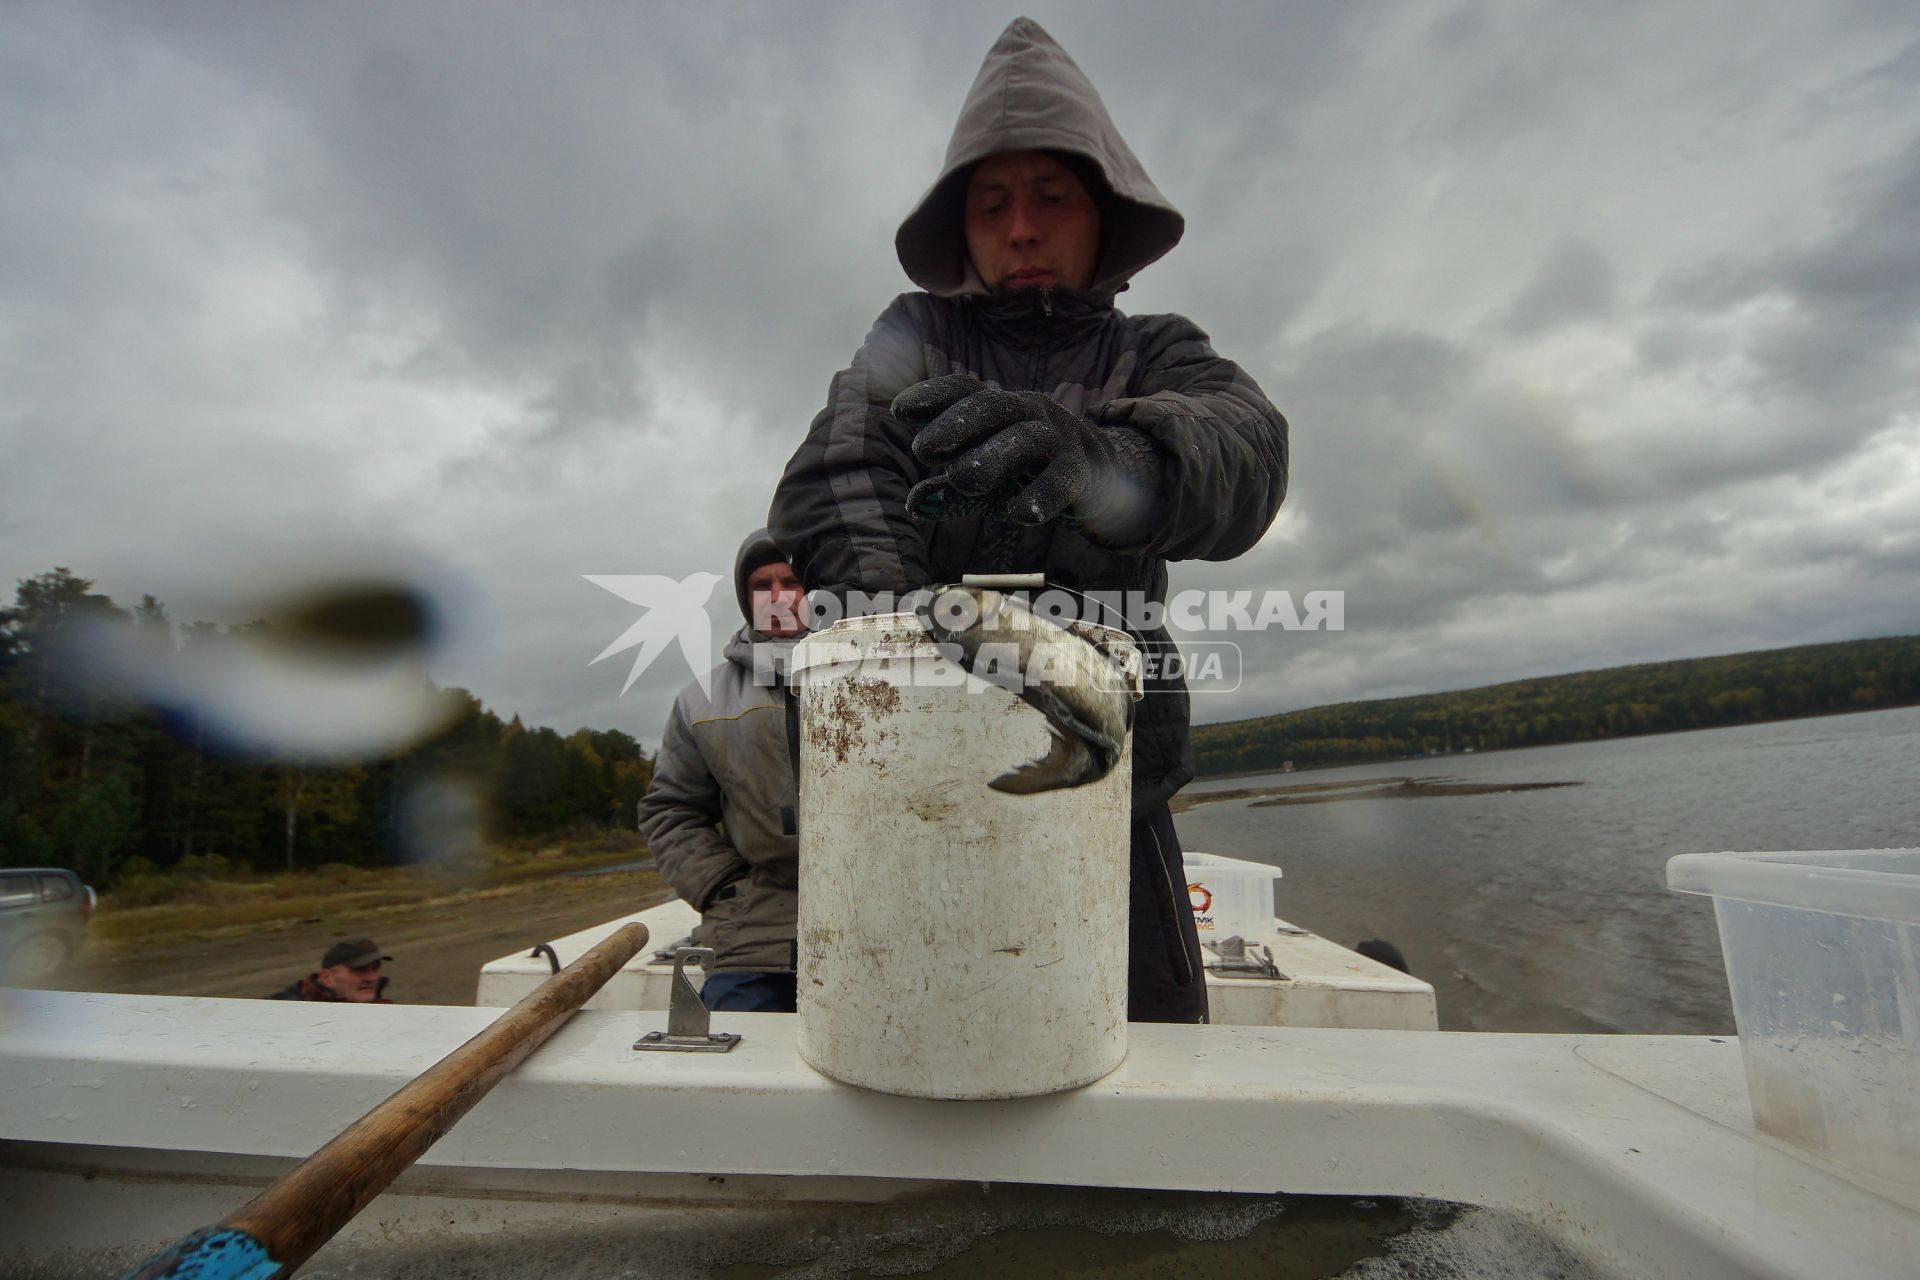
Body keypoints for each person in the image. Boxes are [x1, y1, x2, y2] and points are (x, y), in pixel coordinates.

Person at [769, 18, 1289, 1024]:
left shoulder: (1156, 351)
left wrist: (1114, 460)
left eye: (1051, 196)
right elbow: (839, 458)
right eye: (994, 201)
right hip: (917, 763)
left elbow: (1250, 448)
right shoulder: (918, 333)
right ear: (961, 226)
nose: (1021, 227)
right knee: (914, 1024)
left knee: (1141, 1046)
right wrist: (906, 624)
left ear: (1101, 211)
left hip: (1109, 773)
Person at [637, 529, 808, 1012]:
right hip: (753, 934)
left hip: (878, 924)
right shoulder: (701, 700)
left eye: (792, 581)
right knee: (731, 1064)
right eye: (761, 585)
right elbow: (670, 809)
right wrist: (722, 887)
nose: (777, 596)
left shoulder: (887, 674)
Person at [269, 937, 393, 1003]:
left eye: (375, 968)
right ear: (326, 978)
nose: (371, 978)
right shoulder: (280, 1015)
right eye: (359, 970)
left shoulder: (380, 1011)